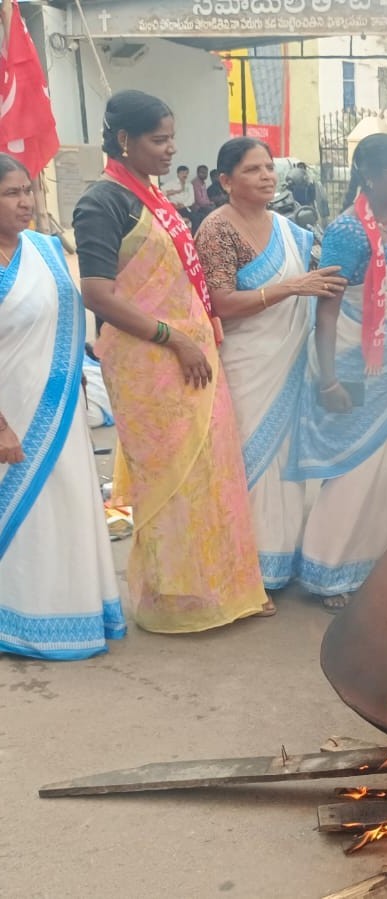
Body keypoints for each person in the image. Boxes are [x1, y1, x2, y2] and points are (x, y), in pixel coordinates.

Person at [72, 89, 271, 632]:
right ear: (123, 141)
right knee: (172, 481)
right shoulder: (103, 202)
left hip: (193, 356)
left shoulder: (155, 197)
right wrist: (173, 338)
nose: (170, 149)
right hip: (150, 362)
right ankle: (173, 600)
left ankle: (223, 589)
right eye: (158, 140)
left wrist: (196, 335)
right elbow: (98, 292)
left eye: (170, 138)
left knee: (211, 474)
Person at [283, 134, 387, 611]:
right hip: (353, 360)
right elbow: (326, 311)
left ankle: (381, 564)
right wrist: (327, 379)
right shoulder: (348, 232)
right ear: (370, 175)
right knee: (354, 466)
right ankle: (329, 566)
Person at [196, 138, 346, 592]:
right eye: (252, 170)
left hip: (290, 363)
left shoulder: (290, 230)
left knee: (286, 470)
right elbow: (219, 304)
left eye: (268, 167)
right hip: (247, 364)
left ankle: (280, 563)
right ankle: (244, 578)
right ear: (226, 181)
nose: (266, 176)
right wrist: (288, 287)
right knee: (248, 467)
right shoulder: (217, 230)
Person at [0, 153, 126, 659]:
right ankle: (21, 619)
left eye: (27, 190)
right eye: (11, 194)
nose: (25, 202)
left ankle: (74, 612)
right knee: (26, 518)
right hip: (11, 412)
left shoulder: (46, 249)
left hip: (59, 407)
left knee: (68, 506)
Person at [190, 164, 214, 231]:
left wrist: (210, 203)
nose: (205, 174)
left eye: (206, 173)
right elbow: (199, 200)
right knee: (213, 211)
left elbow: (206, 197)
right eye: (202, 172)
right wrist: (209, 203)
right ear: (198, 173)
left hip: (204, 206)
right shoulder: (195, 183)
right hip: (197, 208)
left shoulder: (203, 182)